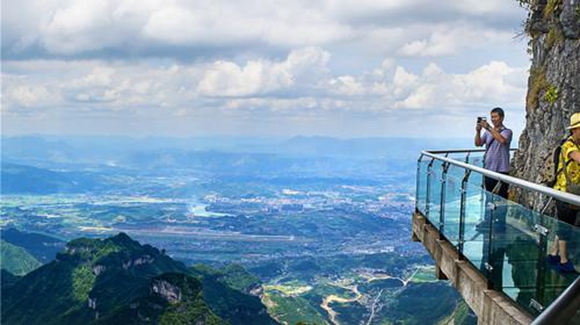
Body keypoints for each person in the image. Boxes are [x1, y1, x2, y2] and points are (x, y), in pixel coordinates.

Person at [549, 112, 580, 273]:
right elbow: (577, 158)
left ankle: (554, 254)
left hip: (572, 192)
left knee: (563, 223)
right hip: (564, 192)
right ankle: (563, 260)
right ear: (574, 130)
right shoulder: (568, 145)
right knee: (566, 226)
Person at [474, 107, 513, 227]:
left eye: (495, 117)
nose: (493, 119)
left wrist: (488, 128)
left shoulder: (507, 131)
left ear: (502, 117)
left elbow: (502, 140)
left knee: (501, 200)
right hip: (489, 169)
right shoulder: (488, 132)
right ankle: (488, 222)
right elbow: (478, 144)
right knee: (488, 198)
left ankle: (500, 223)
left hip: (502, 170)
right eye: (492, 117)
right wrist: (478, 131)